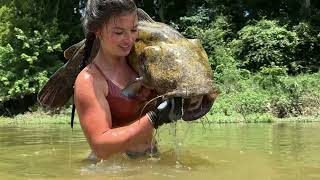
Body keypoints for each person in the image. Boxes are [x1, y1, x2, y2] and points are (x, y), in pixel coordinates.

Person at [74, 0, 182, 160]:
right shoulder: (89, 80)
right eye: (118, 33)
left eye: (133, 30)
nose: (129, 39)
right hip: (113, 170)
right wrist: (155, 118)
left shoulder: (142, 63)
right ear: (97, 31)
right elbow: (100, 146)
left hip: (149, 160)